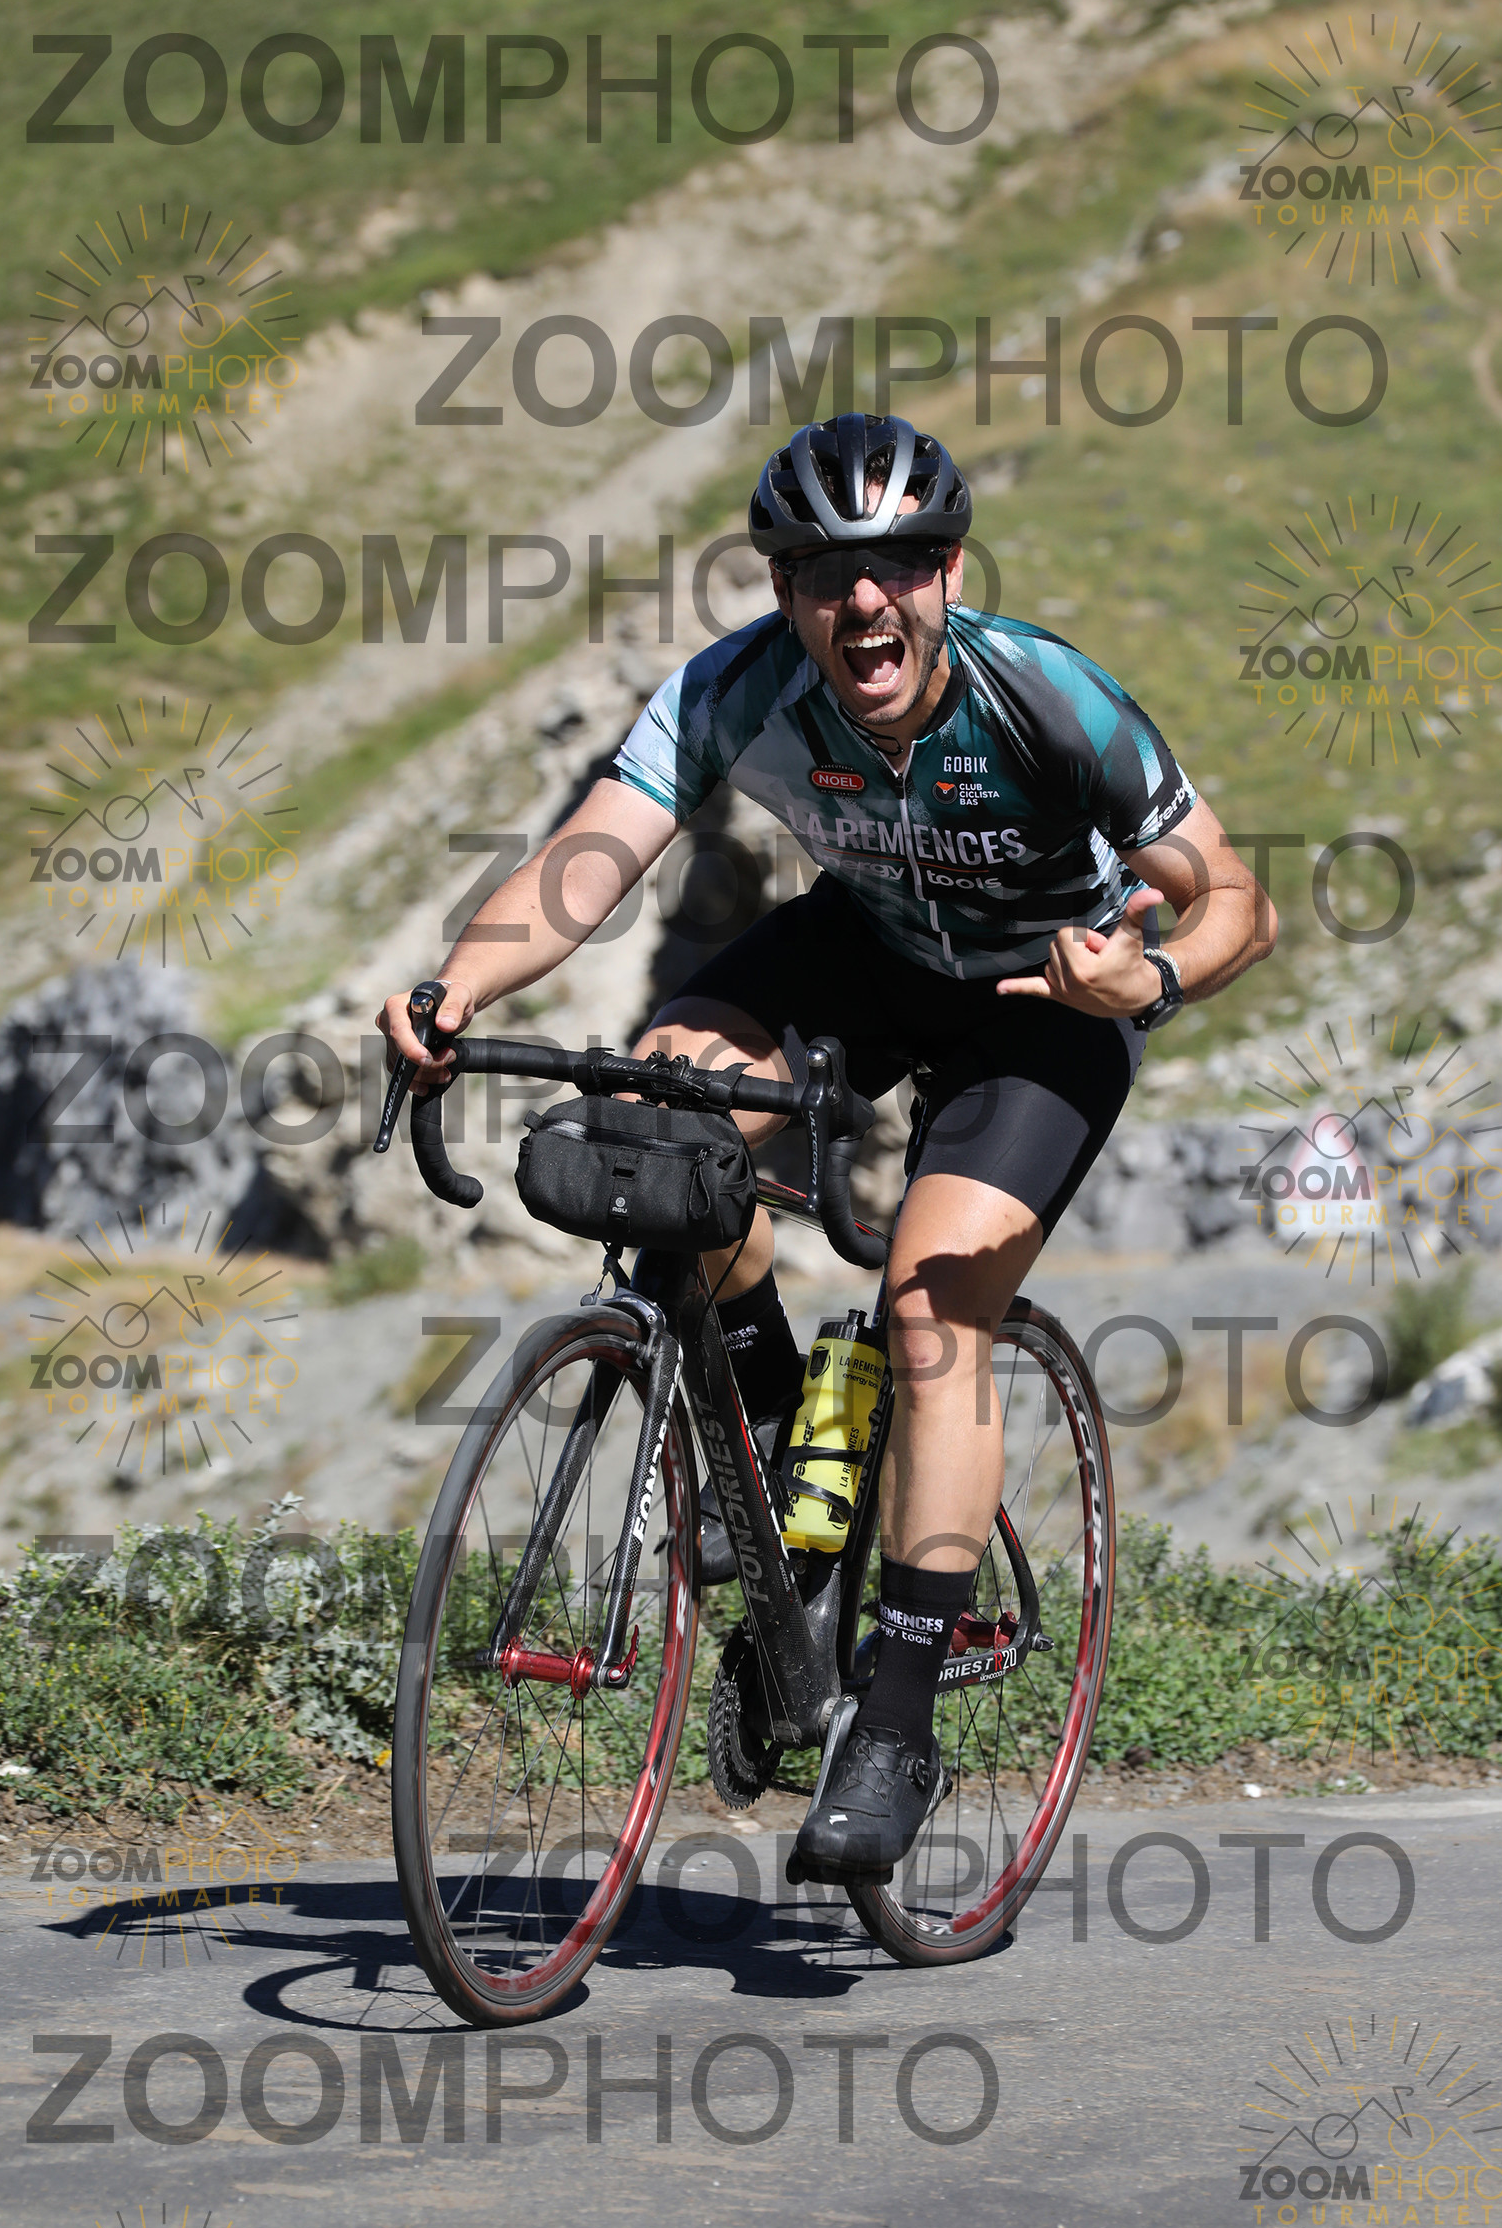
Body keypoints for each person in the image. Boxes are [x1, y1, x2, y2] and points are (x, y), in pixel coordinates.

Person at [381, 411, 1275, 1881]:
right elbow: (592, 858)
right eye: (823, 572)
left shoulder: (1047, 698)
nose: (865, 600)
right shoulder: (733, 688)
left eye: (900, 564)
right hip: (863, 954)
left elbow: (1237, 895)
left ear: (949, 573)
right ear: (785, 590)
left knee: (931, 1305)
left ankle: (897, 1720)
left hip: (1044, 1003)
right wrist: (457, 987)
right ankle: (788, 1463)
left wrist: (1155, 978)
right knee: (656, 1122)